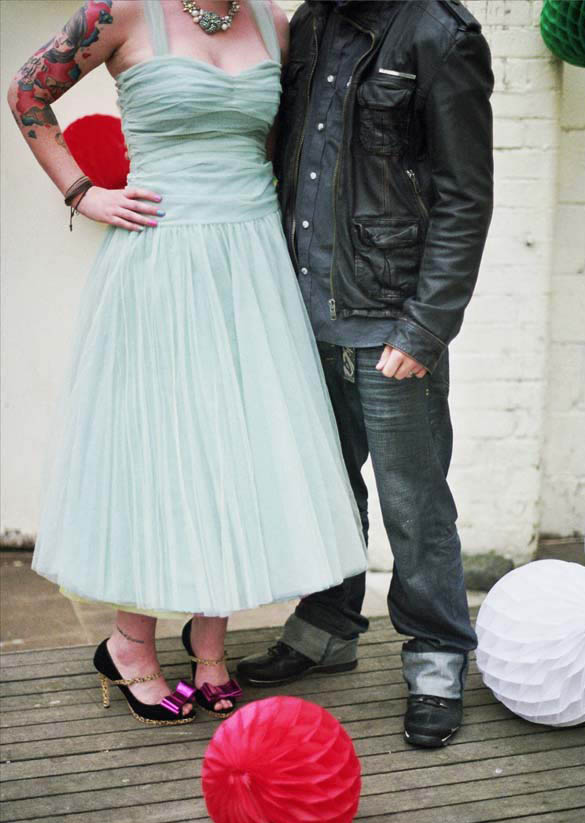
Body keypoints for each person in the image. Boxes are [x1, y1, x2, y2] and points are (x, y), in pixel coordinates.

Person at [7, 0, 367, 726]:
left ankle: (209, 647)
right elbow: (26, 92)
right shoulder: (119, 12)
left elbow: (277, 145)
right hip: (162, 260)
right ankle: (129, 644)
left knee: (235, 447)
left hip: (253, 263)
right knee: (158, 447)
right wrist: (83, 192)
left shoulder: (273, 23)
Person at [238, 0, 494, 748]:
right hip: (302, 314)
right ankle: (326, 627)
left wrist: (426, 326)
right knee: (324, 489)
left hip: (390, 324)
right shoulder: (311, 22)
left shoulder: (441, 34)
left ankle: (438, 654)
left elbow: (465, 196)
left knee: (414, 502)